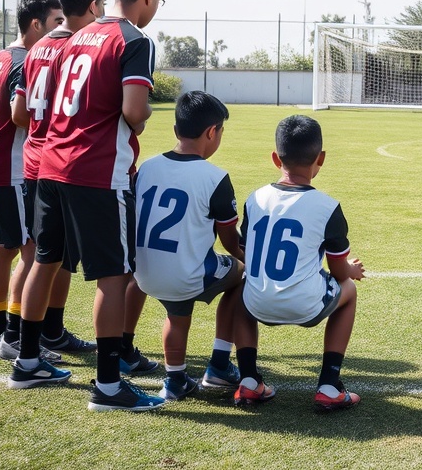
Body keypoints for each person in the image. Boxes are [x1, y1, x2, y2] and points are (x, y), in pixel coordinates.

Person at [8, 0, 169, 413]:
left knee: (44, 259)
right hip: (97, 171)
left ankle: (27, 359)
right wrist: (141, 119)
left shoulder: (69, 39)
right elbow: (134, 111)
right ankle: (108, 385)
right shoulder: (134, 39)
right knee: (113, 276)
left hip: (51, 165)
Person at [7, 0, 112, 358]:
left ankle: (29, 335)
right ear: (91, 4)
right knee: (56, 257)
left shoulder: (35, 50)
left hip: (34, 157)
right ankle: (44, 333)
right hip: (63, 161)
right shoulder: (78, 47)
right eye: (100, 3)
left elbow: (19, 112)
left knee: (44, 254)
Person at [240, 114, 366, 411]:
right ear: (320, 158)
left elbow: (248, 254)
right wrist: (352, 271)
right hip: (306, 306)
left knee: (242, 285)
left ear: (275, 158)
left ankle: (247, 381)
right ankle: (328, 385)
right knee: (348, 290)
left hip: (256, 305)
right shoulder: (328, 206)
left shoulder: (254, 198)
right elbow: (338, 271)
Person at [133, 91, 249, 402]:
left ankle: (175, 380)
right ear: (213, 132)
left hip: (143, 275)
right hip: (184, 274)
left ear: (176, 130)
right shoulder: (214, 177)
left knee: (177, 308)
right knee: (242, 274)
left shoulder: (147, 166)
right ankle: (220, 365)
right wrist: (245, 257)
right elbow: (229, 240)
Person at [0, 0, 63, 358]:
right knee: (31, 249)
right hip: (9, 166)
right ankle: (14, 337)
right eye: (56, 21)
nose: (63, 28)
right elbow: (19, 114)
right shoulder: (23, 60)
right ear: (35, 25)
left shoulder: (3, 54)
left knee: (6, 246)